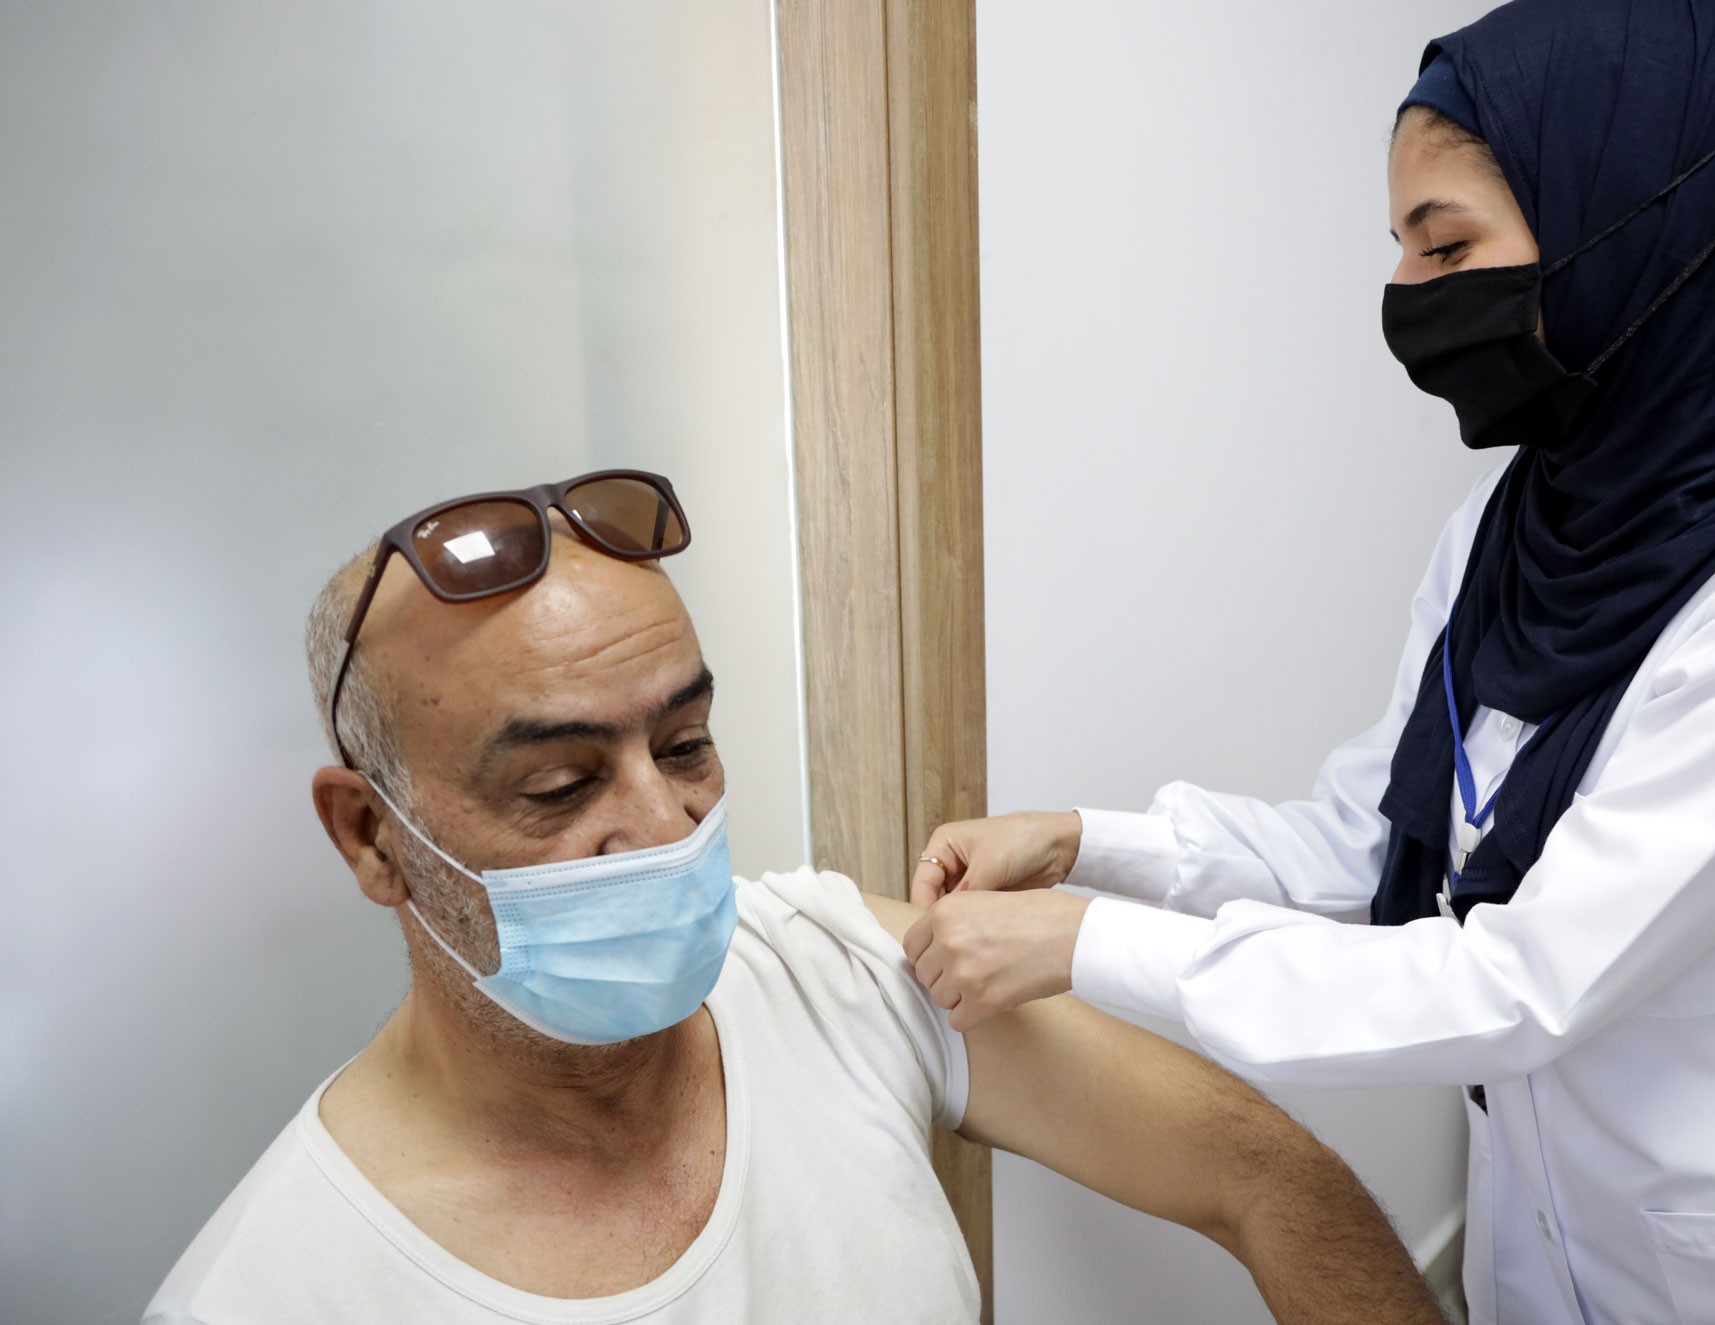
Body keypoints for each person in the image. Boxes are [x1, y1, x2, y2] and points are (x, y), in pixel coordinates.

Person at [900, 1, 1715, 1320]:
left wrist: (1086, 944)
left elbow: (1524, 975)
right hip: (1542, 1248)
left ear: (1641, 230)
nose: (1409, 299)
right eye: (1402, 250)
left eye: (1448, 244)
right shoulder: (1517, 527)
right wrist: (1086, 841)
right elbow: (1375, 849)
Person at [144, 472, 1442, 1325]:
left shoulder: (825, 964)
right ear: (373, 837)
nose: (663, 824)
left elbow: (1271, 1176)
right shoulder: (274, 1289)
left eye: (687, 743)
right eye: (558, 783)